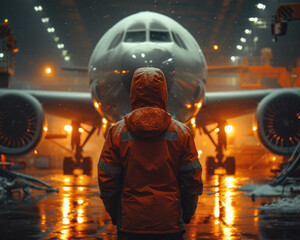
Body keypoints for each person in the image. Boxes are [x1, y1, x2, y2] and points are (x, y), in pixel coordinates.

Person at [98, 67, 203, 240]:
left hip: (131, 224)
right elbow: (192, 180)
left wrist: (116, 214)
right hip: (168, 223)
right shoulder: (182, 132)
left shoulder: (116, 133)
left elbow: (107, 181)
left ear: (133, 92)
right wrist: (186, 212)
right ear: (163, 92)